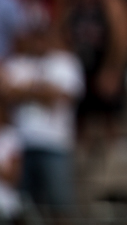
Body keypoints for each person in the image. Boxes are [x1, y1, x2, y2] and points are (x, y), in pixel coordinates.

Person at [1, 17, 84, 218]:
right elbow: (5, 92)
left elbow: (64, 96)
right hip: (22, 143)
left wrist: (25, 90)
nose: (38, 41)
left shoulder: (66, 62)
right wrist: (42, 91)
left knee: (59, 206)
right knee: (22, 208)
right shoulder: (18, 62)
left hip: (55, 143)